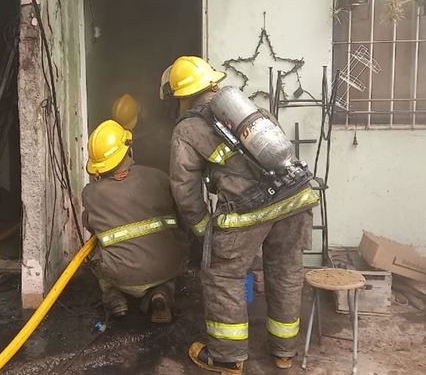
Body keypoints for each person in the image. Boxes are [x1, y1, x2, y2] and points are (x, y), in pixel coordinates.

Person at [163, 56, 319, 374]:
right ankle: (284, 352)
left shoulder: (187, 129)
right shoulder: (253, 111)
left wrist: (202, 228)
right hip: (296, 198)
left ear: (181, 96)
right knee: (286, 272)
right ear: (213, 83)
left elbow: (184, 189)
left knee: (222, 277)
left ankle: (227, 356)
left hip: (248, 210)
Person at [82, 119, 189, 323]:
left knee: (95, 249)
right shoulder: (159, 177)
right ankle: (162, 294)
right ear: (128, 149)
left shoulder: (90, 193)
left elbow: (89, 224)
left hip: (122, 275)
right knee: (170, 253)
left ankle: (114, 297)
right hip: (165, 267)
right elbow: (182, 217)